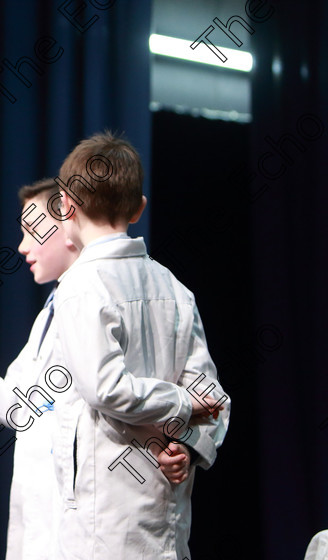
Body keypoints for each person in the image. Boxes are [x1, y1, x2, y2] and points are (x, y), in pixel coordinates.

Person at [0, 177, 216, 559]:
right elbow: (25, 404)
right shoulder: (55, 307)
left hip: (115, 517)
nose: (23, 246)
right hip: (52, 521)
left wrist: (187, 446)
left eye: (33, 230)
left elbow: (205, 395)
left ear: (69, 222)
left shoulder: (156, 293)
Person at [48, 131, 230, 558]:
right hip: (158, 514)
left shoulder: (81, 285)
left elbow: (105, 387)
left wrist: (183, 410)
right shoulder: (175, 287)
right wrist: (185, 443)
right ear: (138, 207)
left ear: (65, 205)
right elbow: (210, 395)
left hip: (105, 518)